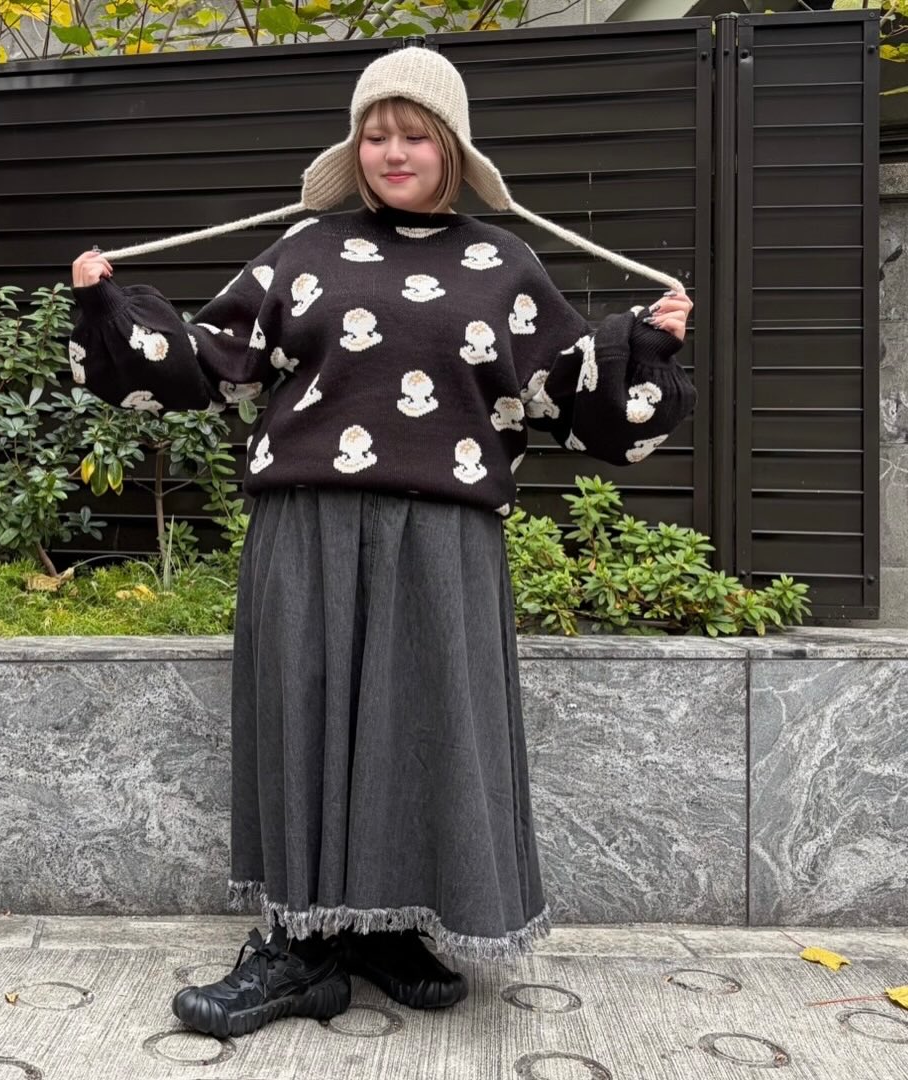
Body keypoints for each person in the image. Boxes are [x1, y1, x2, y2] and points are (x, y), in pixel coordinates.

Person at [67, 44, 696, 1040]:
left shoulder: (506, 265)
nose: (392, 151)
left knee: (424, 726)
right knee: (304, 719)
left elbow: (577, 397)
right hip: (306, 528)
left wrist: (648, 348)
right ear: (353, 144)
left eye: (413, 135)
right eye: (375, 132)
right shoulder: (305, 253)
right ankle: (299, 952)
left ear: (449, 147)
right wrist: (110, 309)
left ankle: (388, 926)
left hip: (445, 538)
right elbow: (210, 363)